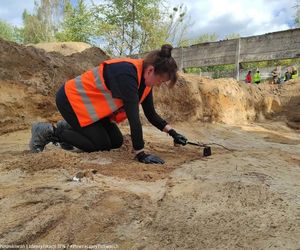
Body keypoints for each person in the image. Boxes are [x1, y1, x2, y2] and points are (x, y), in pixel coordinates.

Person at [29, 44, 188, 165]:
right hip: (71, 100)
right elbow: (134, 119)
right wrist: (141, 154)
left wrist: (173, 133)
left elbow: (151, 114)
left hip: (92, 110)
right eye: (160, 80)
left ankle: (68, 127)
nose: (159, 85)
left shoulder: (145, 83)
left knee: (116, 141)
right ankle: (50, 132)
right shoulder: (127, 74)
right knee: (100, 144)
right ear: (151, 70)